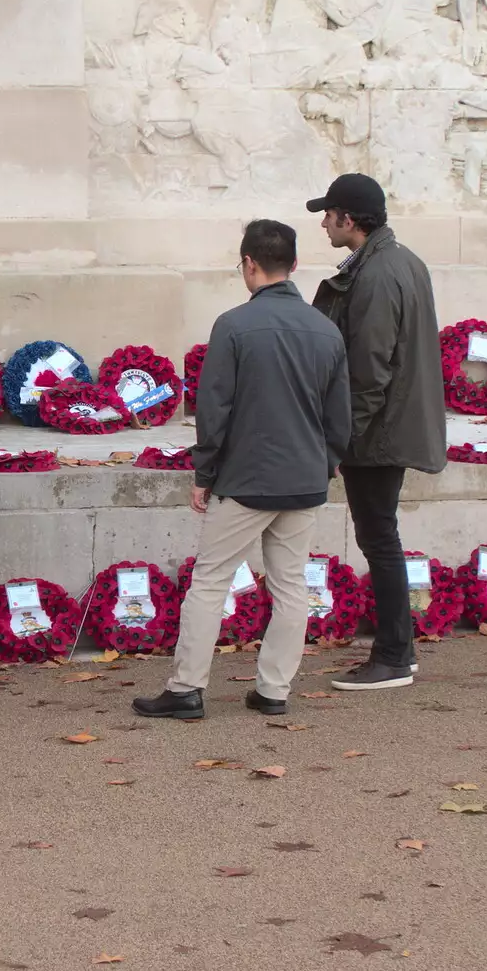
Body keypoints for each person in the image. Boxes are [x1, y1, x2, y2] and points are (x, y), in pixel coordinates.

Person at [134, 219, 350, 720]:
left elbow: (215, 410)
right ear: (294, 265)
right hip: (303, 478)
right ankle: (274, 689)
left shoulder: (233, 325)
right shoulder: (326, 329)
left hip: (246, 479)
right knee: (291, 585)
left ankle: (187, 687)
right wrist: (325, 464)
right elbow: (340, 417)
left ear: (249, 264)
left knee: (210, 582)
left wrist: (204, 474)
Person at [309, 173, 446, 692]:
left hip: (378, 432)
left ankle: (392, 655)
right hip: (389, 424)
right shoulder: (399, 260)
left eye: (329, 214)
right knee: (382, 536)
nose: (323, 223)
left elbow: (369, 370)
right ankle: (398, 650)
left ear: (350, 219)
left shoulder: (376, 274)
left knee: (379, 538)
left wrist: (337, 442)